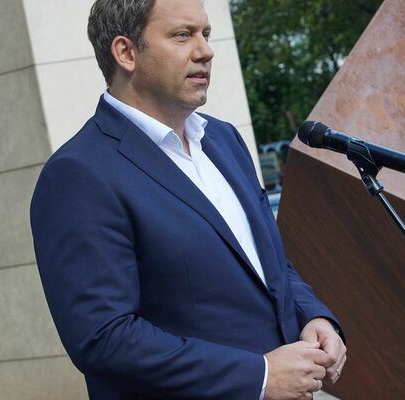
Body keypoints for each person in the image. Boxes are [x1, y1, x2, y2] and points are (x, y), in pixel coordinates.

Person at [30, 1, 346, 399]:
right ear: (126, 52)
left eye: (206, 34)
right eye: (182, 35)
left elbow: (266, 263)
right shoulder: (79, 174)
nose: (206, 51)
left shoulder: (224, 140)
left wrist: (312, 316)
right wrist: (258, 375)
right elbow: (103, 336)